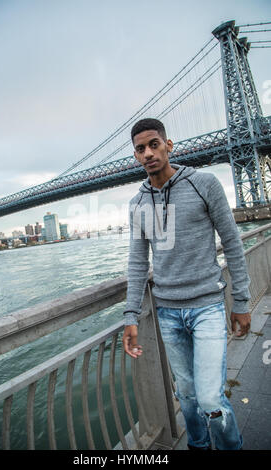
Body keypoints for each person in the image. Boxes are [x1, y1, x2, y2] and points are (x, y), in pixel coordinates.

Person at [122, 118, 251, 451]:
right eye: (140, 148)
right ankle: (198, 444)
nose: (148, 153)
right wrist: (130, 317)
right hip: (167, 313)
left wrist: (242, 302)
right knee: (188, 396)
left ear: (169, 145)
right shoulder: (137, 205)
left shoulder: (203, 184)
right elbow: (138, 264)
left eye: (154, 144)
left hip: (207, 307)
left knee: (210, 398)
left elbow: (233, 244)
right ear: (135, 156)